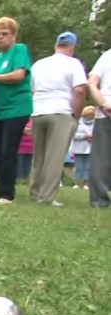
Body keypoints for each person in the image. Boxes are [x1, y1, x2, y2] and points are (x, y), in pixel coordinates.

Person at [29, 32, 88, 207]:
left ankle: (35, 192)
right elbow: (79, 91)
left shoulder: (39, 64)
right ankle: (47, 196)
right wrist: (76, 115)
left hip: (38, 110)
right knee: (55, 156)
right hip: (61, 111)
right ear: (72, 47)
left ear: (56, 45)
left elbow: (31, 89)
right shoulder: (73, 63)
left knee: (39, 156)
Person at [0, 17, 33, 204]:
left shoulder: (20, 50)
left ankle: (7, 194)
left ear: (14, 35)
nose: (1, 37)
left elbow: (19, 75)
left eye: (5, 34)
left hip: (17, 108)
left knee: (8, 151)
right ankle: (1, 192)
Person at [88, 48, 111, 209]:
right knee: (100, 159)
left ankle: (99, 201)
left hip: (105, 109)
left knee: (100, 158)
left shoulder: (107, 55)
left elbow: (92, 83)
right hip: (105, 110)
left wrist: (103, 104)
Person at [71, 106, 95, 189]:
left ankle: (86, 184)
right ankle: (77, 183)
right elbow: (73, 135)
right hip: (79, 148)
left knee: (88, 167)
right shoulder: (77, 123)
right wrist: (85, 136)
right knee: (79, 166)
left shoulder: (95, 123)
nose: (90, 117)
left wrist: (93, 137)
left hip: (91, 148)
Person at [17, 120, 34, 185]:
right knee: (20, 165)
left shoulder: (34, 120)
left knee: (28, 165)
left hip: (31, 147)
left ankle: (26, 180)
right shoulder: (20, 120)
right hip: (20, 147)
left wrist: (31, 130)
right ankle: (19, 180)